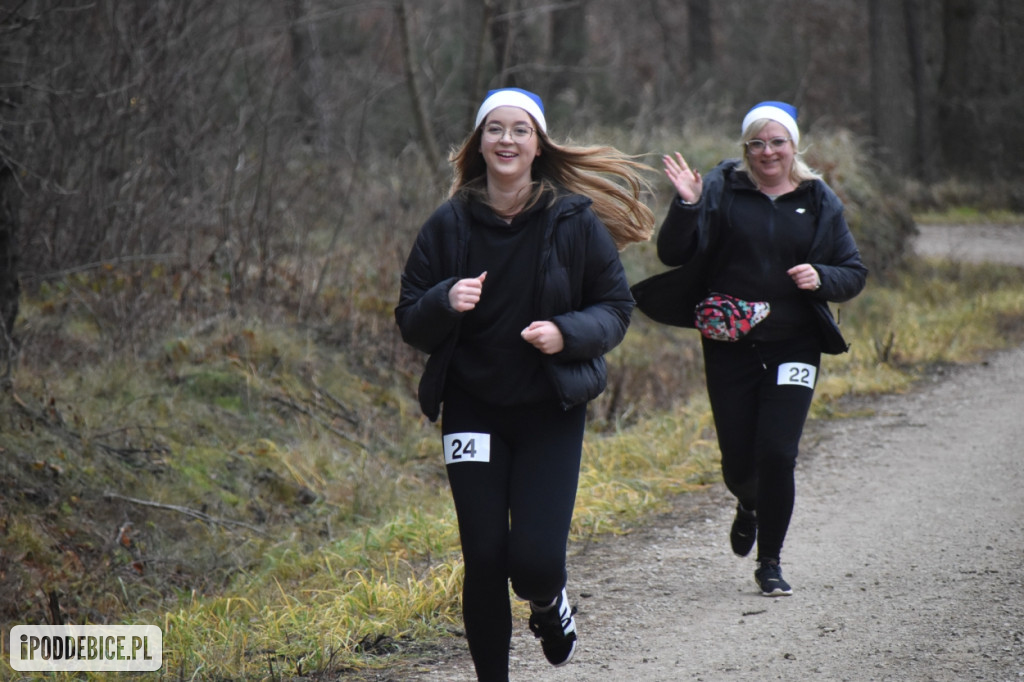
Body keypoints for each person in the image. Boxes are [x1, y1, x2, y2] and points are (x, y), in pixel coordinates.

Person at [395, 87, 654, 680]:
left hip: (548, 412)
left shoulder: (572, 221)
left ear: (538, 145)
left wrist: (566, 333)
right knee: (484, 557)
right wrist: (444, 301)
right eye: (494, 129)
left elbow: (615, 308)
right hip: (472, 411)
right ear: (478, 144)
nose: (506, 140)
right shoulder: (448, 224)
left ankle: (548, 601)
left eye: (519, 130)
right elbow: (410, 318)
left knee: (534, 562)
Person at [631, 101, 868, 597]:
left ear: (793, 147)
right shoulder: (722, 190)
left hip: (795, 344)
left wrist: (822, 276)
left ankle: (771, 563)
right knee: (739, 462)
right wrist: (688, 204)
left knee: (778, 452)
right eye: (757, 143)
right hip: (730, 345)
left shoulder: (818, 199)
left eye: (777, 142)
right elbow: (673, 253)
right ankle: (749, 502)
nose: (767, 152)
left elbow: (853, 272)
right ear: (745, 149)